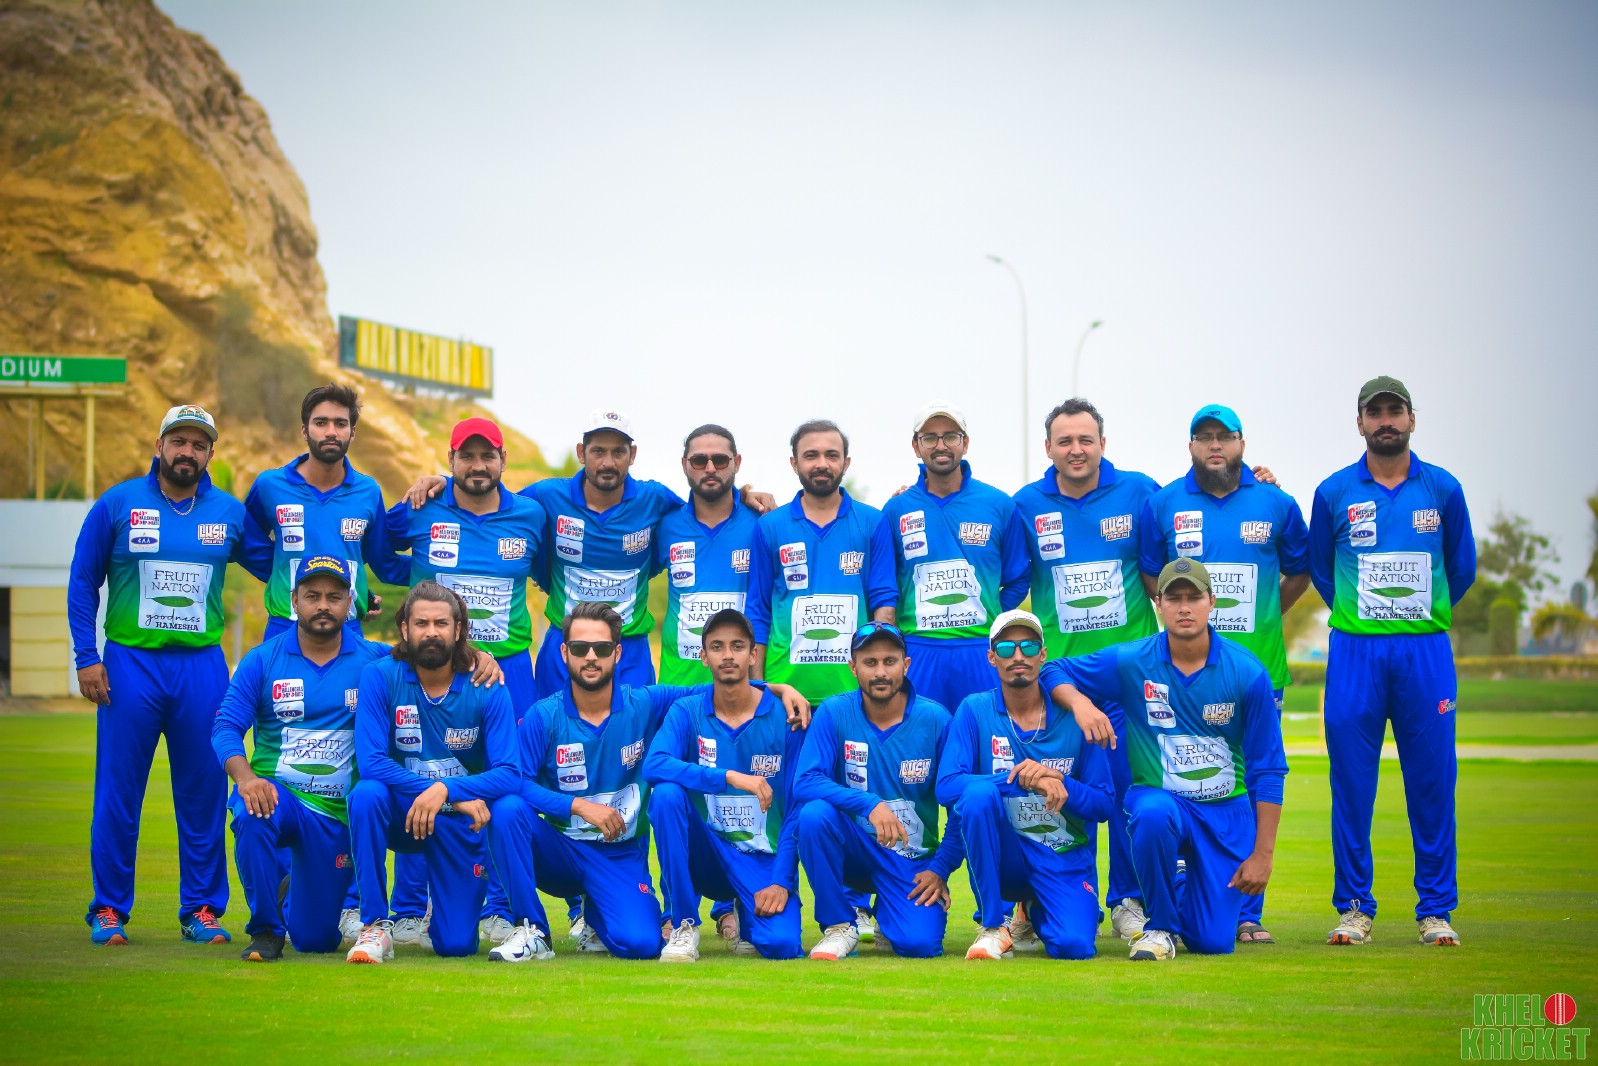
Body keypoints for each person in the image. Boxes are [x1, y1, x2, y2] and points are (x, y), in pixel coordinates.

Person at [483, 602, 809, 962]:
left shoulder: (645, 703)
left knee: (640, 944)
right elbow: (515, 781)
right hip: (559, 850)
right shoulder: (543, 716)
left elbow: (721, 684)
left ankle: (599, 912)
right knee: (507, 809)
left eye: (601, 648)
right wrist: (577, 806)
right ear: (564, 653)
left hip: (618, 855)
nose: (591, 657)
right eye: (580, 648)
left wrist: (777, 688)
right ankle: (532, 929)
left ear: (617, 653)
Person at [68, 404, 271, 946]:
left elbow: (282, 570)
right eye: (178, 441)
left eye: (199, 444)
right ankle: (109, 908)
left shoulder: (228, 513)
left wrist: (354, 593)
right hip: (130, 664)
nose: (188, 452)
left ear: (210, 454)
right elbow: (84, 579)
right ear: (159, 446)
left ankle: (201, 910)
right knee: (119, 792)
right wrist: (86, 656)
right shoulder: (117, 504)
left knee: (203, 790)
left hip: (201, 667)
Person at [1041, 560, 1288, 962]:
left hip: (1224, 813)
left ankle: (1182, 882)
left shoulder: (1247, 673)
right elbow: (1054, 669)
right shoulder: (1132, 660)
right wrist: (1082, 704)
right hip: (1159, 800)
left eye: (1194, 597)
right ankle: (1160, 927)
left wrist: (1263, 855)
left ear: (1212, 602)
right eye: (1174, 598)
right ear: (1159, 604)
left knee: (1212, 942)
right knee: (1152, 813)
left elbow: (1270, 770)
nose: (1184, 607)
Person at [1310, 376, 1475, 948]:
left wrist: (1416, 615)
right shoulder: (1333, 492)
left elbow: (1461, 569)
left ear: (1411, 419)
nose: (1386, 420)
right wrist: (1365, 616)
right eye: (1375, 412)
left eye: (1395, 411)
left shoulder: (1443, 489)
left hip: (1424, 651)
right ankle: (1355, 908)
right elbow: (1322, 572)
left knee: (1433, 783)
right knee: (1352, 787)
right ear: (1359, 422)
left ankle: (1436, 910)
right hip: (1355, 652)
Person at [1137, 402, 1309, 945]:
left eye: (1225, 436)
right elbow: (1149, 574)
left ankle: (1247, 909)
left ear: (1241, 443)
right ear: (1190, 445)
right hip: (1182, 673)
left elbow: (1300, 571)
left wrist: (1267, 615)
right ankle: (1177, 890)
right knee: (1184, 777)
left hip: (1255, 672)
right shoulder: (1164, 503)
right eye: (1205, 437)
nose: (1215, 445)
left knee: (1252, 780)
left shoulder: (1277, 503)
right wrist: (1183, 623)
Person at [381, 416, 543, 943]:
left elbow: (550, 571)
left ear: (502, 460)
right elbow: (379, 551)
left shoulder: (530, 515)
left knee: (504, 778)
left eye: (487, 455)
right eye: (466, 456)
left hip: (506, 668)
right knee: (421, 764)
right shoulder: (423, 507)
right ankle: (409, 908)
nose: (477, 465)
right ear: (449, 460)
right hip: (434, 664)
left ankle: (498, 905)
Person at [1008, 398, 1161, 941]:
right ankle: (1032, 902)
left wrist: (1254, 478)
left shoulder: (1141, 492)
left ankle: (1127, 901)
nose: (1076, 450)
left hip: (1128, 680)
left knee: (1125, 794)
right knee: (1048, 792)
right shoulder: (1025, 504)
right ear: (1048, 448)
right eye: (1065, 441)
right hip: (1058, 682)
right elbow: (1003, 575)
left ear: (1103, 444)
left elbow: (1176, 548)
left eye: (1085, 439)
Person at [212, 557, 389, 961]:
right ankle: (265, 930)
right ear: (294, 601)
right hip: (279, 798)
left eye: (334, 596)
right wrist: (245, 778)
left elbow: (435, 661)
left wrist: (478, 658)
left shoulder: (376, 661)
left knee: (315, 940)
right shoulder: (262, 660)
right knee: (251, 813)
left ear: (350, 603)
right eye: (312, 596)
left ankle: (295, 888)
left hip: (335, 813)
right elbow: (225, 727)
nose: (323, 605)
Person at [745, 419, 882, 939]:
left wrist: (875, 679)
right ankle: (775, 897)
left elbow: (883, 605)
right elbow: (758, 612)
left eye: (830, 454)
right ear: (794, 463)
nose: (821, 463)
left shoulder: (871, 523)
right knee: (788, 804)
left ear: (846, 462)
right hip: (791, 698)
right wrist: (762, 689)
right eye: (810, 455)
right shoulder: (771, 528)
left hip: (852, 700)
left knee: (855, 799)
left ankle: (856, 906)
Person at [345, 582, 520, 963]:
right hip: (403, 814)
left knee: (455, 945)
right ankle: (374, 923)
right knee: (366, 794)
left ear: (458, 630)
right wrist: (437, 789)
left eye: (441, 623)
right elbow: (371, 762)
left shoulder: (487, 684)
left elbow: (510, 773)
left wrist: (447, 792)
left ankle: (437, 913)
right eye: (421, 623)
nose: (431, 632)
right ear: (404, 629)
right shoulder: (380, 676)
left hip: (457, 819)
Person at [936, 609, 1113, 961]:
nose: (1018, 656)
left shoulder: (1077, 718)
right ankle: (992, 925)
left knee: (1075, 947)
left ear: (1042, 655)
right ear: (992, 657)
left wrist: (1062, 783)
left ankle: (1033, 910)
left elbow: (1105, 803)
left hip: (1061, 855)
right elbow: (947, 786)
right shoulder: (974, 709)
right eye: (1006, 648)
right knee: (977, 795)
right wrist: (1018, 778)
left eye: (1029, 647)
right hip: (1005, 854)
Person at [645, 610, 808, 962]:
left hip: (760, 858)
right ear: (704, 657)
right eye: (717, 647)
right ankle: (684, 923)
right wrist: (729, 777)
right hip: (705, 852)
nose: (728, 655)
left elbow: (798, 806)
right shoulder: (686, 711)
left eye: (737, 646)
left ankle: (747, 913)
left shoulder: (787, 717)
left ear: (753, 654)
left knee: (780, 946)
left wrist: (781, 881)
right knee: (667, 795)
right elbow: (654, 764)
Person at [794, 621, 964, 960]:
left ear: (906, 664)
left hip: (910, 859)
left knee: (919, 945)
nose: (881, 672)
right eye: (870, 662)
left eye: (890, 661)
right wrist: (869, 803)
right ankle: (839, 925)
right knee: (814, 816)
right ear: (853, 667)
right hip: (854, 849)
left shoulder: (936, 719)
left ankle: (890, 915)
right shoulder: (834, 712)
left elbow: (960, 804)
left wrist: (940, 868)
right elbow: (806, 781)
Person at [653, 423, 761, 945]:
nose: (711, 468)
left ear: (737, 463)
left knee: (742, 794)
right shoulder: (665, 524)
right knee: (672, 793)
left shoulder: (760, 524)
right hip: (681, 687)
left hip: (743, 690)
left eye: (721, 459)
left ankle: (731, 903)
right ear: (685, 466)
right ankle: (677, 910)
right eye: (700, 460)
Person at [868, 403, 1030, 712]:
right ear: (916, 446)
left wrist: (991, 613)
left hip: (980, 648)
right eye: (930, 437)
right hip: (919, 649)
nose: (940, 445)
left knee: (983, 735)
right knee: (922, 737)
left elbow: (1019, 577)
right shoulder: (896, 509)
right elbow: (885, 585)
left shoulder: (998, 504)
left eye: (951, 436)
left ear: (965, 443)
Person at [244, 383, 390, 641]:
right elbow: (244, 542)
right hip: (285, 626)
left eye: (340, 424)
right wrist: (282, 573)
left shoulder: (369, 491)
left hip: (347, 629)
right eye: (321, 422)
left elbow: (371, 555)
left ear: (352, 433)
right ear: (305, 430)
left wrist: (354, 588)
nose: (331, 432)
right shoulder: (270, 485)